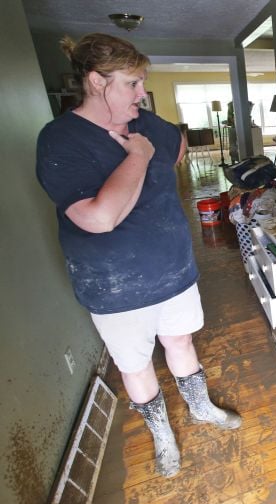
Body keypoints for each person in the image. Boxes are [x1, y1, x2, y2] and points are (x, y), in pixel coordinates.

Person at [36, 33, 241, 479]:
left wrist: (153, 152)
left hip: (174, 269)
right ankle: (162, 434)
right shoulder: (60, 140)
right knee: (136, 364)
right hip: (113, 286)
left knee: (182, 342)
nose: (141, 93)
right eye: (131, 83)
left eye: (141, 82)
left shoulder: (145, 124)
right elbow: (99, 218)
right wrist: (141, 157)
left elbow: (179, 144)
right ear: (96, 81)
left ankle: (201, 407)